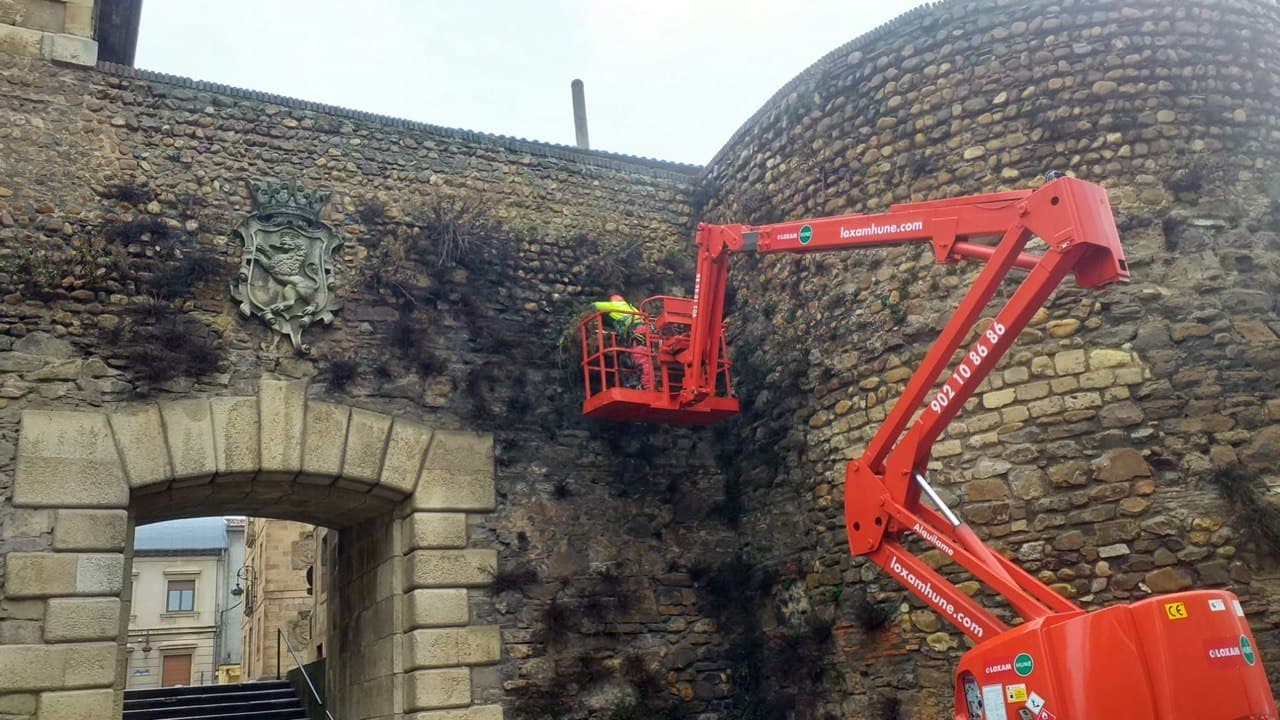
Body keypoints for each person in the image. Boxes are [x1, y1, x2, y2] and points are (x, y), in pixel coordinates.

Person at [592, 294, 654, 391]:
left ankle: (648, 387)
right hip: (644, 331)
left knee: (641, 359)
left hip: (638, 332)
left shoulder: (615, 305)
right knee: (642, 357)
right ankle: (642, 384)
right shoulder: (632, 308)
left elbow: (595, 305)